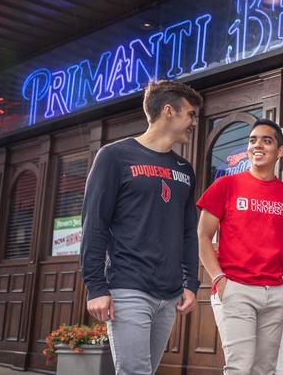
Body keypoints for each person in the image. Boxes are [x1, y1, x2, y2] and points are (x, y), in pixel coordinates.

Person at [80, 80, 202, 374]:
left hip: (169, 292)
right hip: (128, 286)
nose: (194, 123)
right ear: (169, 111)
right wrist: (96, 286)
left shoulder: (185, 170)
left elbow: (188, 231)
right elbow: (94, 223)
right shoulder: (114, 156)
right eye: (191, 114)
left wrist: (190, 282)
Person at [197, 118, 283, 375]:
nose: (257, 145)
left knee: (264, 369)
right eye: (252, 140)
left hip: (275, 292)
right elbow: (203, 237)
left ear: (280, 151)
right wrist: (220, 280)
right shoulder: (225, 186)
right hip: (236, 288)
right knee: (240, 367)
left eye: (266, 141)